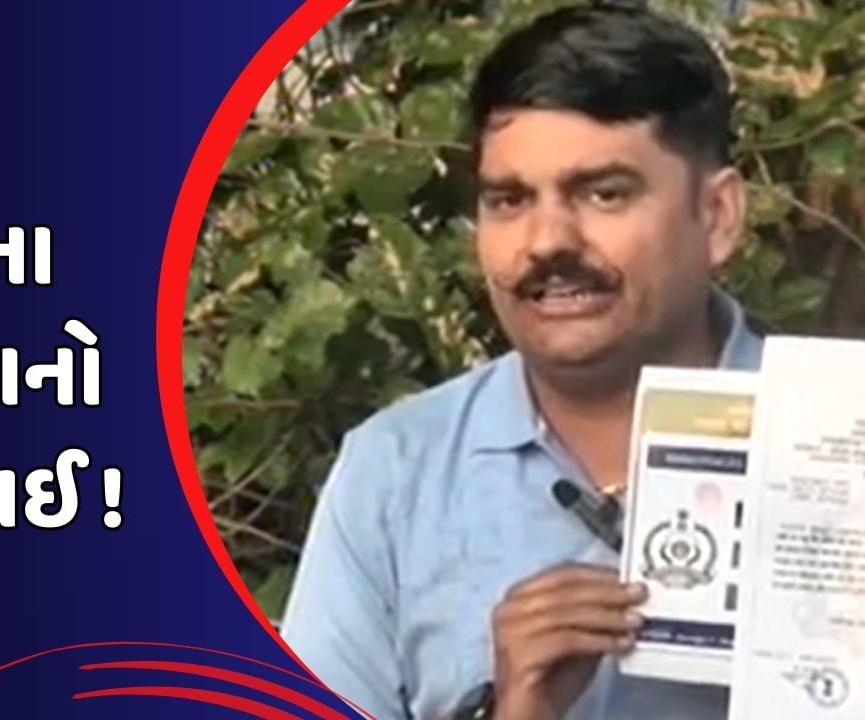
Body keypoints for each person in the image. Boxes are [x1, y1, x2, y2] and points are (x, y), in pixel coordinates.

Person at [280, 4, 761, 719]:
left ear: (717, 217)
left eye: (604, 193)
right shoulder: (396, 474)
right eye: (509, 200)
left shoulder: (841, 441)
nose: (546, 241)